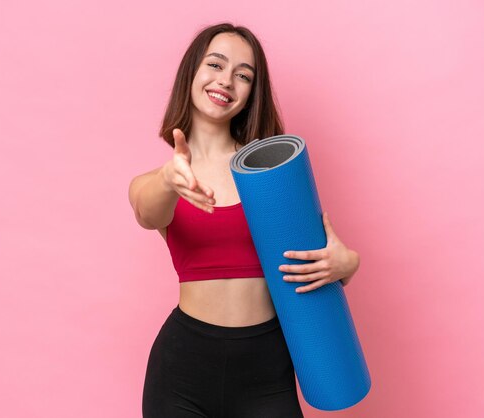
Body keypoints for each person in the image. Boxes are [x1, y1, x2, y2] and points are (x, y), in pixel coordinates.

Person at [128, 22, 360, 418]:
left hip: (266, 368)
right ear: (192, 73)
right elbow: (147, 213)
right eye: (215, 65)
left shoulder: (273, 174)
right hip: (183, 368)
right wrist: (170, 178)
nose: (226, 81)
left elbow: (314, 258)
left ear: (252, 92)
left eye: (243, 75)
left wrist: (347, 264)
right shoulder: (162, 180)